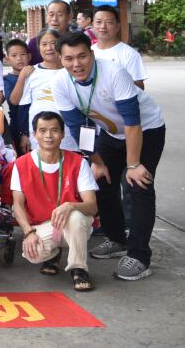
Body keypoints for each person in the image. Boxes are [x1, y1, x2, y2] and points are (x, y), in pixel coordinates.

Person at [52, 31, 165, 281]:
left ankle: (139, 256)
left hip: (146, 130)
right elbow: (77, 127)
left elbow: (132, 123)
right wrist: (97, 162)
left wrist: (133, 165)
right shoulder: (60, 82)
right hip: (111, 133)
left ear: (92, 54)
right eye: (69, 58)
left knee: (139, 186)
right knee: (100, 181)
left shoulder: (114, 72)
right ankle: (116, 239)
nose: (76, 64)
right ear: (61, 59)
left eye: (82, 56)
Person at [11, 111, 98, 291]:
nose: (49, 135)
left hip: (73, 226)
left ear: (63, 134)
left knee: (75, 217)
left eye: (54, 130)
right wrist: (28, 233)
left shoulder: (78, 162)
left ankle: (79, 268)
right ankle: (54, 253)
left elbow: (92, 207)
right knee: (33, 254)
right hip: (43, 226)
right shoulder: (21, 164)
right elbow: (17, 205)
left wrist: (70, 205)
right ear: (34, 134)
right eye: (42, 130)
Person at [11, 28, 73, 152]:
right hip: (39, 136)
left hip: (69, 136)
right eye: (44, 44)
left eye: (53, 43)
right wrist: (24, 134)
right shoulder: (32, 72)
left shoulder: (71, 70)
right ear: (38, 47)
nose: (49, 48)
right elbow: (24, 106)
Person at [92, 5, 147, 89]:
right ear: (93, 25)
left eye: (109, 22)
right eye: (98, 22)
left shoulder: (129, 54)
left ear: (117, 26)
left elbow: (139, 87)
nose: (103, 26)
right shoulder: (89, 51)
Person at [2, 38, 31, 153]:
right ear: (7, 59)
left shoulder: (36, 74)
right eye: (14, 55)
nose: (19, 58)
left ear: (29, 56)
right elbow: (14, 101)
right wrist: (22, 76)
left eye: (23, 54)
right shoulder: (7, 80)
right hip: (17, 127)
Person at [27, 0, 70, 64]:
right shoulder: (34, 44)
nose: (55, 19)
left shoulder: (76, 42)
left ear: (69, 17)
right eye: (51, 15)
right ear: (46, 18)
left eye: (60, 15)